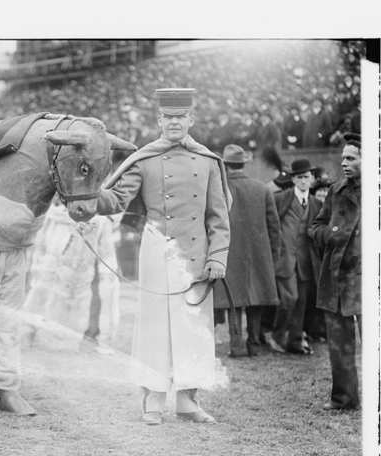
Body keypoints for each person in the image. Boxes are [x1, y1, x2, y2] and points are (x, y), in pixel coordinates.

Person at [97, 88, 231, 425]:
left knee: (192, 331)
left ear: (191, 119)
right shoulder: (144, 159)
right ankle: (152, 401)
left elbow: (218, 217)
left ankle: (187, 401)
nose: (174, 122)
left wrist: (218, 257)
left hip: (196, 257)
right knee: (155, 329)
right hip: (157, 254)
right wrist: (88, 197)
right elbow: (117, 199)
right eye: (168, 117)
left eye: (180, 117)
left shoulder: (208, 160)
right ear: (158, 120)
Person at [308, 133, 362, 410]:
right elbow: (315, 227)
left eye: (351, 158)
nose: (344, 163)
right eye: (342, 157)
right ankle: (344, 397)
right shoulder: (336, 190)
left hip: (368, 278)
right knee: (339, 343)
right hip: (337, 276)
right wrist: (330, 234)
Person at [23, 199, 120, 351]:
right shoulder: (53, 216)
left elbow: (107, 251)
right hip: (57, 241)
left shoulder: (102, 219)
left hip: (89, 246)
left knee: (94, 294)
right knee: (41, 289)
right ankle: (29, 332)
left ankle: (92, 338)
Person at [213, 145, 281, 357]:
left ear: (225, 165)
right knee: (255, 298)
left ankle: (236, 345)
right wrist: (273, 256)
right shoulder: (262, 189)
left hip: (230, 253)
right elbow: (274, 227)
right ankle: (254, 342)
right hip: (259, 254)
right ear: (243, 164)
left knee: (234, 301)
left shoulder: (218, 190)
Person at [271, 158, 322, 354]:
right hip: (285, 259)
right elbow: (271, 225)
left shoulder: (317, 204)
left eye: (306, 177)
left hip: (305, 261)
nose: (302, 181)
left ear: (312, 179)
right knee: (289, 298)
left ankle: (294, 340)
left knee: (301, 301)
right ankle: (277, 335)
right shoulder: (281, 199)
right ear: (293, 179)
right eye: (299, 177)